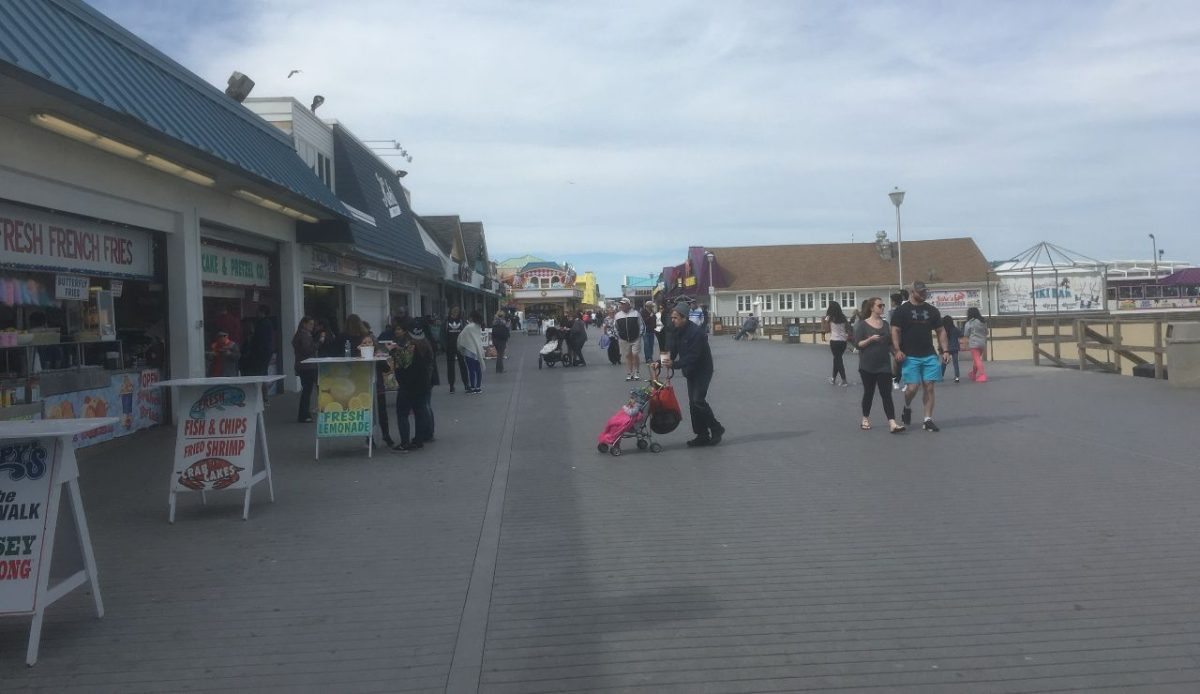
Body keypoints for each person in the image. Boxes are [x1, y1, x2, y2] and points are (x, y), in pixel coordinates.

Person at [891, 281, 950, 432]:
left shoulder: (932, 310)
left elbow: (941, 331)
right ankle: (907, 406)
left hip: (929, 354)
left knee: (929, 386)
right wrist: (897, 350)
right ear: (912, 292)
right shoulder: (901, 311)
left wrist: (945, 350)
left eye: (925, 291)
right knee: (912, 388)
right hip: (910, 355)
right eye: (921, 292)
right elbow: (895, 331)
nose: (924, 294)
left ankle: (927, 419)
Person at [664, 301, 724, 447]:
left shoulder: (697, 333)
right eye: (672, 317)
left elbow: (693, 356)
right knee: (693, 404)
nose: (672, 320)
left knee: (698, 400)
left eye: (675, 318)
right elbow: (671, 348)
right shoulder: (677, 330)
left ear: (684, 318)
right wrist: (661, 362)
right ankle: (702, 434)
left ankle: (716, 428)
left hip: (702, 370)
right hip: (690, 371)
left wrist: (675, 364)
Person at [854, 297, 904, 433]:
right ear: (872, 308)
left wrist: (896, 353)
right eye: (879, 305)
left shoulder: (886, 324)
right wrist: (870, 339)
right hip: (867, 365)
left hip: (884, 365)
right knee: (869, 393)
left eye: (883, 305)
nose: (882, 308)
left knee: (886, 394)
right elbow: (857, 344)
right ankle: (865, 418)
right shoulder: (863, 325)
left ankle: (892, 422)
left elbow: (889, 344)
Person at [390, 319, 434, 451]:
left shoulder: (410, 345)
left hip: (408, 384)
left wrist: (393, 352)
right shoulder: (425, 343)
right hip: (423, 382)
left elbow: (404, 362)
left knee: (402, 413)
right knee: (419, 411)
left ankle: (404, 443)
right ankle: (418, 440)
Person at [359, 334, 395, 449]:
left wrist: (379, 358)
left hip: (378, 389)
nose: (367, 345)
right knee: (369, 414)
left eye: (369, 342)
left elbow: (387, 369)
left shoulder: (377, 355)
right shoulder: (358, 357)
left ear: (373, 344)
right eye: (364, 343)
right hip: (365, 390)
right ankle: (369, 437)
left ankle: (386, 435)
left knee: (382, 414)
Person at [292, 316, 317, 423]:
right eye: (310, 324)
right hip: (308, 366)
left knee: (306, 390)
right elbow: (307, 350)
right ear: (304, 324)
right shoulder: (305, 335)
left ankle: (304, 414)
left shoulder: (299, 334)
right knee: (307, 390)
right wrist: (318, 344)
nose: (312, 326)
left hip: (302, 366)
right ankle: (304, 414)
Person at [822, 301, 851, 387]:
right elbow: (848, 328)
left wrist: (825, 322)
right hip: (843, 341)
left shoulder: (829, 318)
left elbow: (826, 330)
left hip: (834, 341)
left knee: (838, 360)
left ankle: (844, 380)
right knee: (837, 359)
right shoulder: (843, 317)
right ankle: (833, 378)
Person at [614, 298, 643, 381]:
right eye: (621, 304)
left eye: (624, 304)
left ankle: (637, 372)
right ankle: (629, 373)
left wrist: (640, 335)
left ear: (628, 305)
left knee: (635, 354)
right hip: (623, 339)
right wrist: (618, 336)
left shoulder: (636, 313)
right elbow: (615, 327)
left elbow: (641, 325)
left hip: (635, 338)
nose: (622, 305)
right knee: (627, 356)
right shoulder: (618, 315)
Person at [458, 310, 486, 394]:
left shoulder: (468, 327)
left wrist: (460, 347)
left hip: (469, 351)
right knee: (478, 369)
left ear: (471, 317)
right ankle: (478, 387)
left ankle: (472, 387)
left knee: (471, 370)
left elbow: (461, 338)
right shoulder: (478, 326)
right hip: (478, 350)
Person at [443, 307, 469, 393]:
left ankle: (466, 384)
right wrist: (444, 345)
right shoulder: (446, 321)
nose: (455, 312)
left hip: (460, 346)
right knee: (450, 367)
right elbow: (442, 333)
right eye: (454, 310)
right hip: (450, 347)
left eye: (457, 311)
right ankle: (451, 386)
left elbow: (466, 332)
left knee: (463, 365)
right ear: (450, 311)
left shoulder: (461, 321)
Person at [964, 307, 989, 382]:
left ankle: (982, 375)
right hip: (982, 343)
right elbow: (987, 332)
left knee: (977, 359)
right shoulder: (982, 321)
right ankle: (973, 374)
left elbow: (966, 333)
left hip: (974, 343)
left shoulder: (969, 323)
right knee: (976, 360)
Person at [939, 315, 963, 382]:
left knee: (944, 363)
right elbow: (961, 334)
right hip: (955, 348)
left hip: (947, 348)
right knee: (955, 363)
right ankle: (957, 377)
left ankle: (941, 376)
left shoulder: (944, 330)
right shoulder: (955, 329)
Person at [640, 301, 658, 367]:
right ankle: (648, 359)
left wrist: (655, 327)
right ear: (648, 306)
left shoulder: (652, 312)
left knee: (651, 345)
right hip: (645, 331)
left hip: (652, 330)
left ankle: (650, 357)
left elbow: (655, 319)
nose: (652, 307)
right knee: (647, 345)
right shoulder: (643, 312)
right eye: (651, 306)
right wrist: (650, 316)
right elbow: (643, 321)